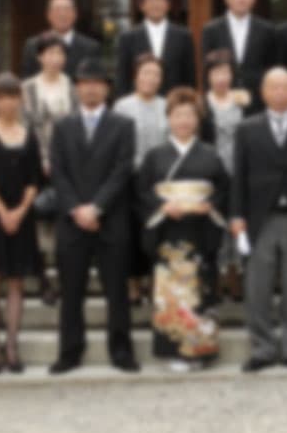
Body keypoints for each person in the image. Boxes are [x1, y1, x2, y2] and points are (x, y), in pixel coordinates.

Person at [48, 59, 139, 375]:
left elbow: (122, 170)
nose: (90, 88)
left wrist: (97, 207)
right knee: (72, 291)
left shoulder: (123, 125)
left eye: (97, 82)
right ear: (76, 88)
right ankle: (70, 351)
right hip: (73, 222)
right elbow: (58, 173)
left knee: (117, 291)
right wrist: (77, 209)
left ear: (107, 89)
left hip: (110, 219)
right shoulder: (62, 126)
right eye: (84, 82)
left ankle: (121, 350)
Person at [231, 69, 287, 372]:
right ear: (264, 92)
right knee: (257, 286)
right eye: (274, 87)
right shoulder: (247, 129)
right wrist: (237, 215)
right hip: (259, 217)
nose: (280, 92)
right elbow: (239, 175)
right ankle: (262, 348)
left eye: (285, 86)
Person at [139, 87, 228, 372]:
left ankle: (201, 350)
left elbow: (225, 189)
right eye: (177, 115)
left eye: (189, 115)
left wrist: (210, 205)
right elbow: (141, 192)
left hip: (200, 231)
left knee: (201, 290)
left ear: (197, 119)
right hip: (169, 233)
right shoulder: (155, 156)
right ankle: (175, 350)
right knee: (172, 294)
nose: (183, 121)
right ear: (169, 119)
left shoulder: (210, 156)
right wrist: (162, 207)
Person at [0, 73, 42, 374]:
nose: (7, 102)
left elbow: (34, 180)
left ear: (21, 99)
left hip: (22, 217)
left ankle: (12, 346)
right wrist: (2, 211)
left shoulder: (29, 134)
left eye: (12, 96)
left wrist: (20, 210)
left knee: (16, 281)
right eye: (1, 97)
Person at [22, 32, 78, 306]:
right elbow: (27, 128)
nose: (55, 59)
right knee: (41, 222)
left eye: (60, 53)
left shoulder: (74, 86)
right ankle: (45, 281)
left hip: (69, 165)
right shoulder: (28, 88)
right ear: (39, 57)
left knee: (66, 224)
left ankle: (68, 281)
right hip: (37, 164)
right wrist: (42, 160)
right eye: (49, 53)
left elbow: (78, 127)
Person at [113, 54, 169, 305]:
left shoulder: (167, 105)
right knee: (131, 234)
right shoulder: (122, 106)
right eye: (145, 73)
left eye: (155, 74)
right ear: (136, 76)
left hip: (159, 179)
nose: (150, 78)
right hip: (130, 179)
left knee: (156, 233)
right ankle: (133, 286)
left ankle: (154, 284)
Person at [200, 49, 246, 303]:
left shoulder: (242, 101)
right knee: (214, 225)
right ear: (208, 76)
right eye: (215, 72)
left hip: (238, 171)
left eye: (225, 72)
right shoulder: (201, 103)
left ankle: (235, 274)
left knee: (236, 223)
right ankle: (215, 278)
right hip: (212, 173)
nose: (221, 78)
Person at [201, 0, 279, 114]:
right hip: (222, 102)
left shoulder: (267, 30)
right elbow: (207, 70)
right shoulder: (211, 30)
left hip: (258, 102)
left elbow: (272, 68)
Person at [115, 0, 196, 97]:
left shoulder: (183, 36)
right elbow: (123, 77)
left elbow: (190, 78)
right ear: (142, 5)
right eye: (151, 0)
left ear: (168, 4)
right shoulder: (128, 38)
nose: (155, 4)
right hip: (139, 103)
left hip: (174, 104)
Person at [21, 0, 100, 79]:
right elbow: (27, 81)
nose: (62, 14)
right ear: (48, 15)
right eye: (57, 10)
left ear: (75, 14)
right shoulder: (33, 45)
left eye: (67, 9)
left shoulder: (90, 47)